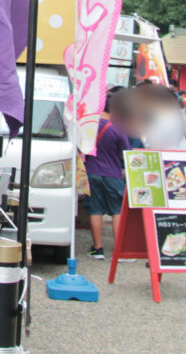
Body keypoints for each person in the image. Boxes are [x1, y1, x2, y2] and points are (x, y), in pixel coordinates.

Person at [83, 89, 133, 260]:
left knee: (95, 210)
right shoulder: (118, 129)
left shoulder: (89, 125)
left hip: (92, 172)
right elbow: (126, 153)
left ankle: (98, 249)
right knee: (116, 211)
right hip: (113, 174)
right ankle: (119, 251)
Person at [141, 83, 186, 151]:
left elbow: (153, 143)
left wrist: (142, 137)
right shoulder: (180, 114)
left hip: (163, 157)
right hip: (179, 156)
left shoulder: (158, 118)